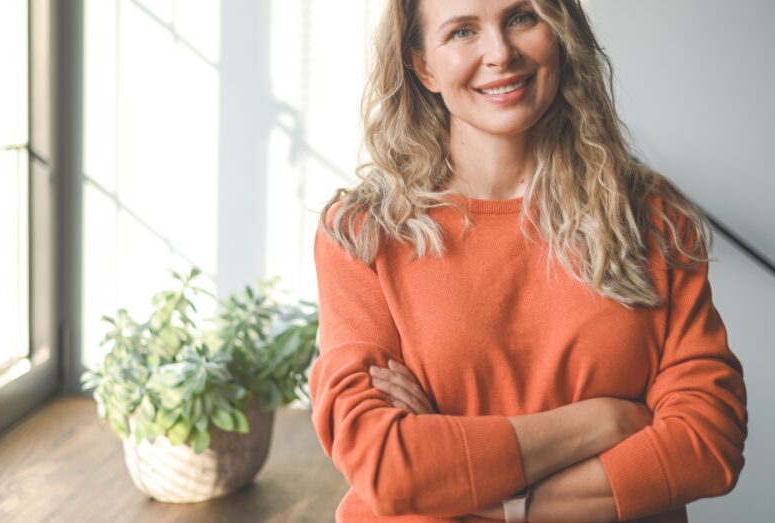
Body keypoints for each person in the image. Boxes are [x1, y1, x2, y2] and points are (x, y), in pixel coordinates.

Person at [308, 1, 749, 521]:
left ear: (560, 34)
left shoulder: (650, 219)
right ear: (423, 66)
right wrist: (601, 422)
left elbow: (707, 443)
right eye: (462, 32)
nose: (500, 54)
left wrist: (490, 502)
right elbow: (388, 465)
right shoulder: (364, 233)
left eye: (521, 17)